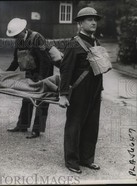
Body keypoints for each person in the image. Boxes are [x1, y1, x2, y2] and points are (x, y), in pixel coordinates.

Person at [58, 7, 109, 173]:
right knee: (75, 124)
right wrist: (63, 95)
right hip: (79, 90)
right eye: (89, 19)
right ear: (80, 23)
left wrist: (99, 90)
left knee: (92, 125)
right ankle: (72, 161)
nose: (94, 22)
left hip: (94, 90)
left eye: (95, 19)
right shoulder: (73, 43)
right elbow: (65, 71)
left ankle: (86, 159)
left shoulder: (95, 42)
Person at [6, 18, 54, 139]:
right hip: (31, 70)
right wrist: (5, 74)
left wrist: (41, 78)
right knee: (27, 97)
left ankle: (37, 130)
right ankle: (22, 125)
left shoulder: (37, 38)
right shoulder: (19, 41)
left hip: (44, 71)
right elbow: (16, 60)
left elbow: (45, 60)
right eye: (14, 37)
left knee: (41, 100)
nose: (16, 38)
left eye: (17, 35)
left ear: (24, 30)